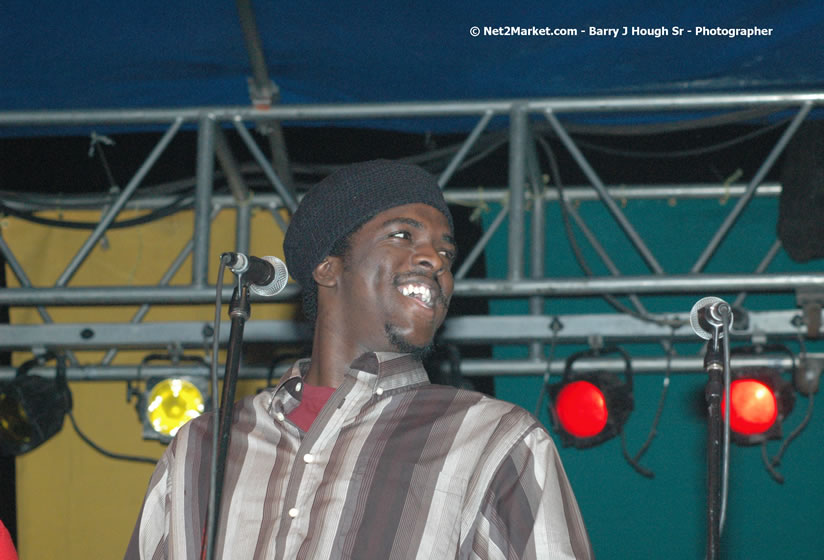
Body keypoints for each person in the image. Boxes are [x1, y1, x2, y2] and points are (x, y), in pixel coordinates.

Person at [125, 159, 593, 559]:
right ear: (328, 268)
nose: (435, 258)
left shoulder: (495, 439)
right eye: (402, 235)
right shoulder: (204, 446)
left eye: (446, 251)